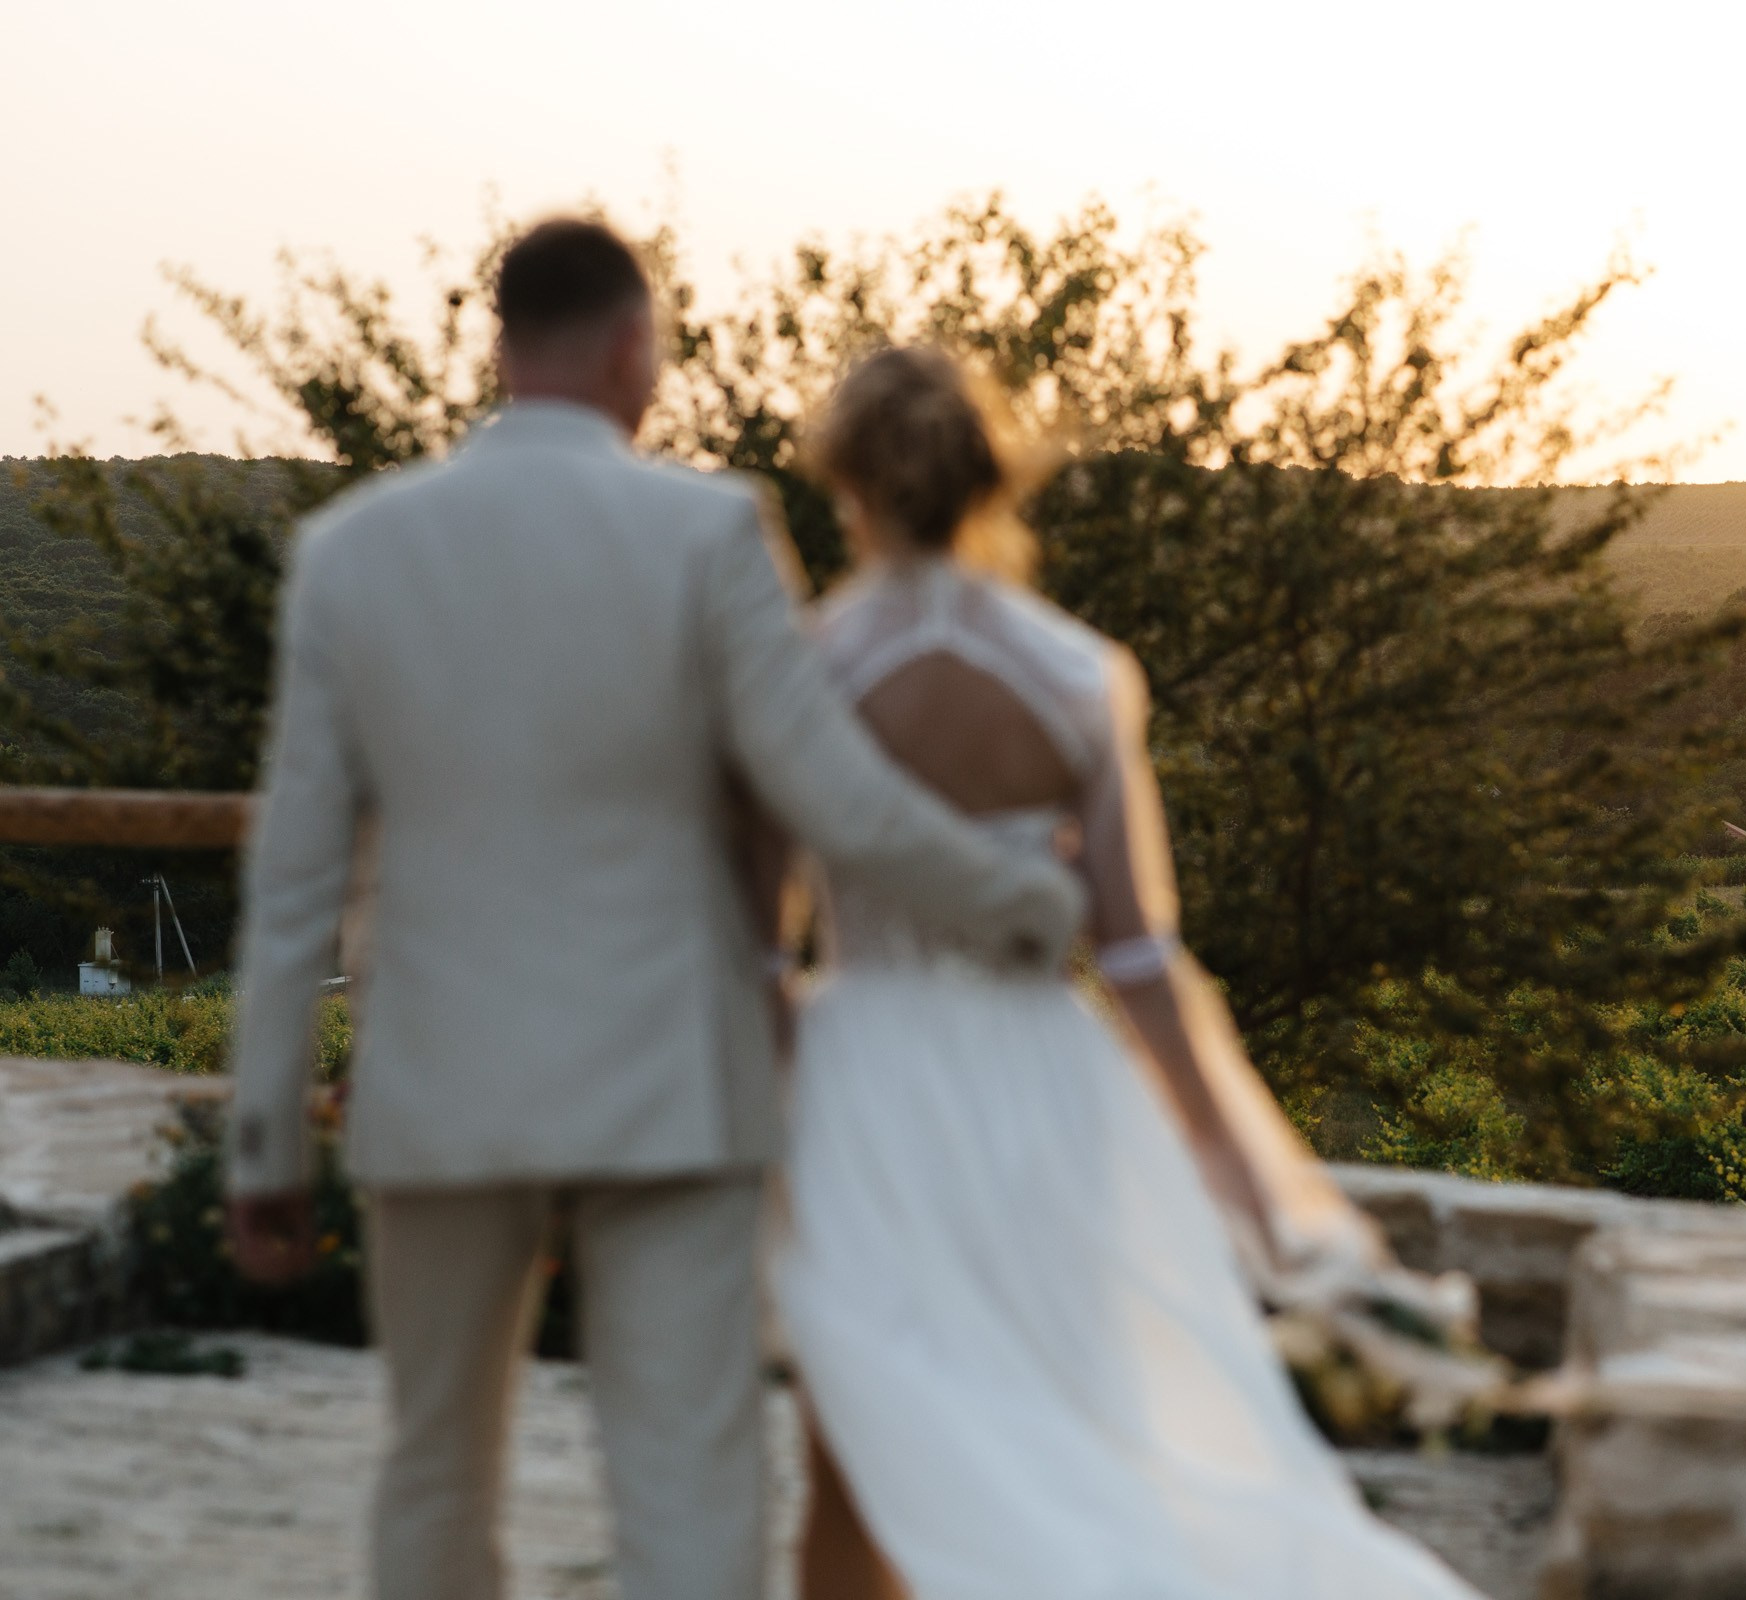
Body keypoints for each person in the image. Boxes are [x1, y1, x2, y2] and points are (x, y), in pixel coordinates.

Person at [222, 222, 1084, 1600]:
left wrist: (263, 1136)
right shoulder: (708, 530)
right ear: (634, 345)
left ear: (501, 345)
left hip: (441, 1081)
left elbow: (294, 876)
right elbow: (831, 791)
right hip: (669, 1083)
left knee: (434, 1465)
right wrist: (1026, 901)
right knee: (688, 1477)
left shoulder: (351, 550)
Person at [771, 346, 1488, 1599]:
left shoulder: (803, 670)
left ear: (850, 487)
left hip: (860, 1083)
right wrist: (1247, 1176)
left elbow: (755, 932)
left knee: (862, 1455)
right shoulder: (1075, 674)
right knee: (1077, 1420)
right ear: (994, 484)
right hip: (1045, 1085)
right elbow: (1142, 955)